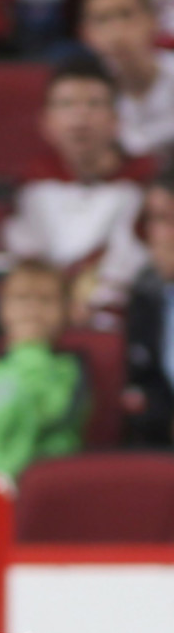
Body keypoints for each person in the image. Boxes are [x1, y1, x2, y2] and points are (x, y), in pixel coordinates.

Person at [3, 56, 153, 326]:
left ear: (116, 120)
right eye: (67, 104)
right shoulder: (29, 186)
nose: (80, 117)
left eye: (94, 104)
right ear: (46, 122)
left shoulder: (146, 183)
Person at [0, 259, 89, 479]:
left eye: (46, 300)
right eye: (21, 298)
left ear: (66, 310)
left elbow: (48, 412)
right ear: (2, 309)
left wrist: (29, 349)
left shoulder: (70, 369)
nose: (32, 309)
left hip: (43, 487)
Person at [79, 0, 174, 159]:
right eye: (102, 20)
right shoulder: (84, 93)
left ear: (153, 20)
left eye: (126, 15)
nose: (117, 32)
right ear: (86, 34)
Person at [123, 167, 174, 445]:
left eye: (167, 219)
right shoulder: (147, 294)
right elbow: (145, 381)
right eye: (153, 220)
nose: (158, 235)